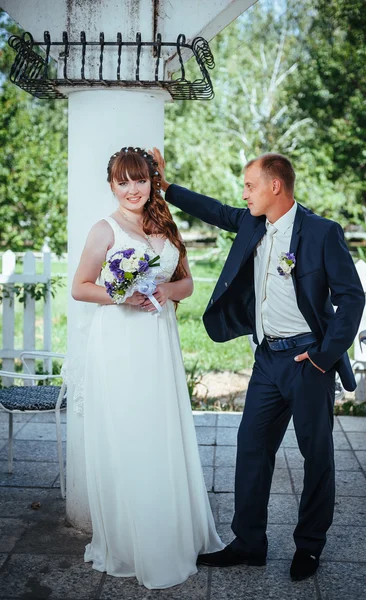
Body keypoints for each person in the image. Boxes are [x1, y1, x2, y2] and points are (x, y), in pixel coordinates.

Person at [152, 148, 365, 581]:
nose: (244, 193)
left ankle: (309, 547)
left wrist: (324, 356)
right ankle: (249, 543)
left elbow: (352, 298)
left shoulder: (322, 232)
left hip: (308, 361)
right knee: (251, 448)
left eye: (250, 185)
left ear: (275, 186)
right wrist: (165, 186)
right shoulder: (252, 223)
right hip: (267, 360)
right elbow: (212, 210)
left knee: (316, 455)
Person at [71, 146, 224, 589]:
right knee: (132, 433)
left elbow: (189, 284)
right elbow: (81, 288)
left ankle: (172, 531)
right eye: (123, 181)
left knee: (162, 430)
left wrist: (163, 290)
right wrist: (123, 294)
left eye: (140, 179)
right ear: (112, 185)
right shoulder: (105, 229)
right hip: (121, 341)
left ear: (152, 181)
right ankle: (133, 541)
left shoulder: (167, 224)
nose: (132, 189)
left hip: (160, 340)